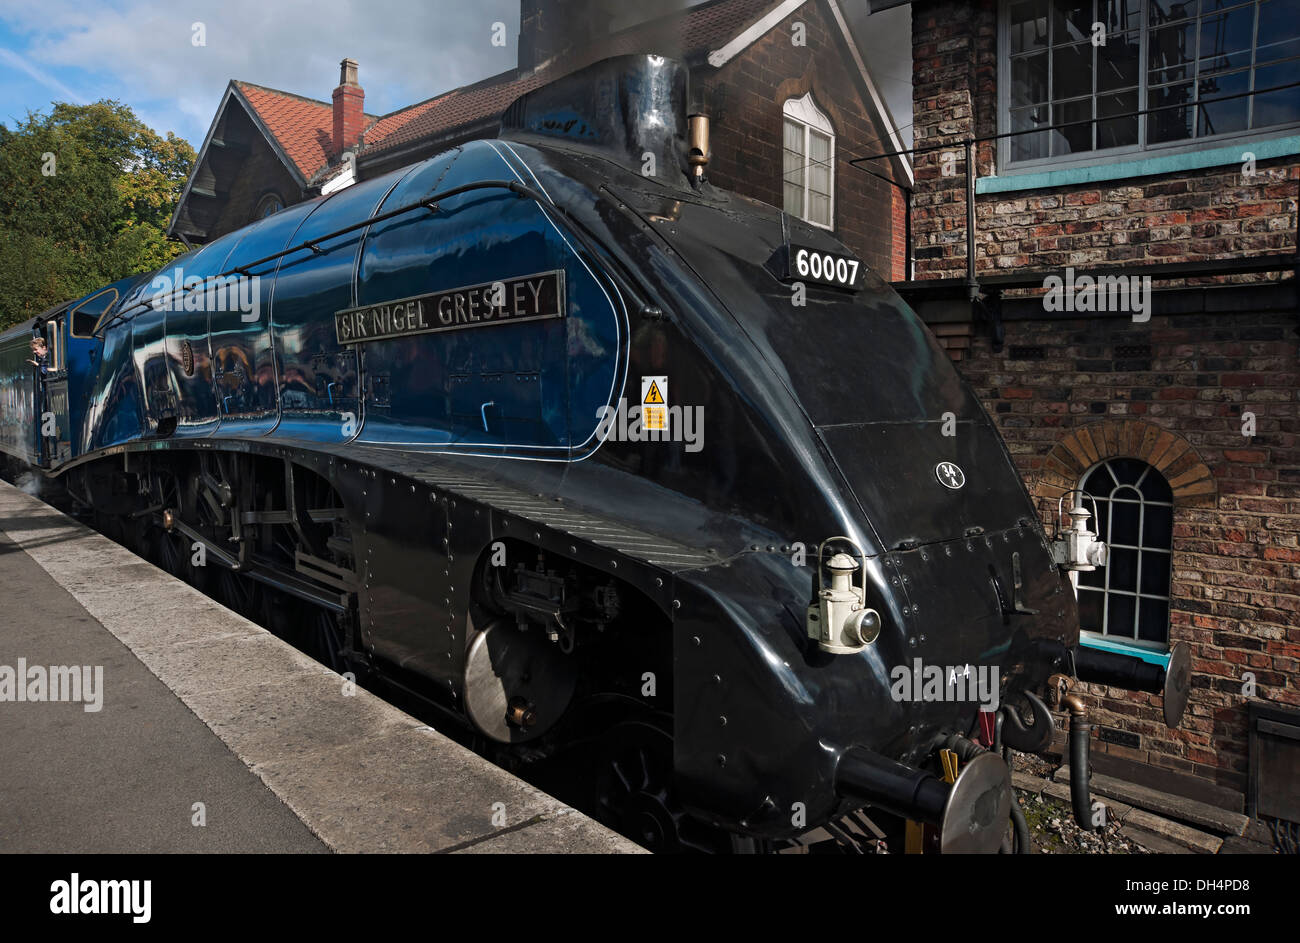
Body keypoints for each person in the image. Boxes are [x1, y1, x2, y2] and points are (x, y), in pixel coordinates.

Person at [27, 332, 49, 464]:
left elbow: (46, 371)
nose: (35, 352)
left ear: (44, 347)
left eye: (36, 349)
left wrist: (37, 366)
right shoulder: (42, 358)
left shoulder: (47, 358)